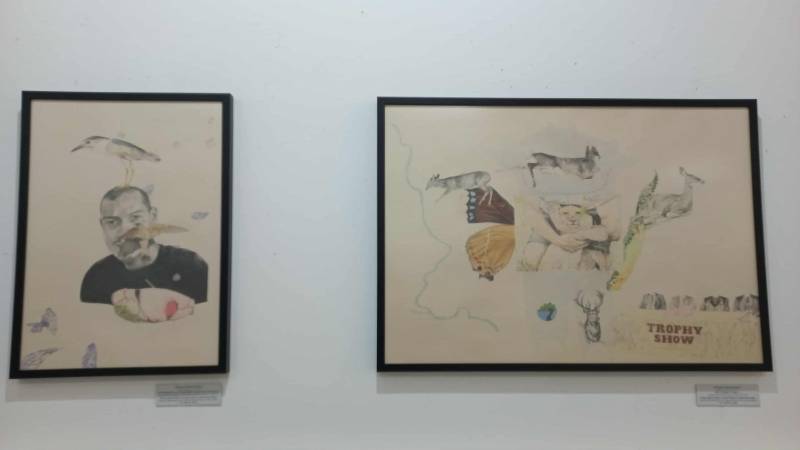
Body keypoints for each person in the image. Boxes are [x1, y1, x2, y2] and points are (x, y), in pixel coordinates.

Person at [80, 186, 207, 322]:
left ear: (153, 217)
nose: (124, 230)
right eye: (112, 222)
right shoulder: (96, 277)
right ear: (102, 226)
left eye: (135, 217)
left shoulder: (192, 266)